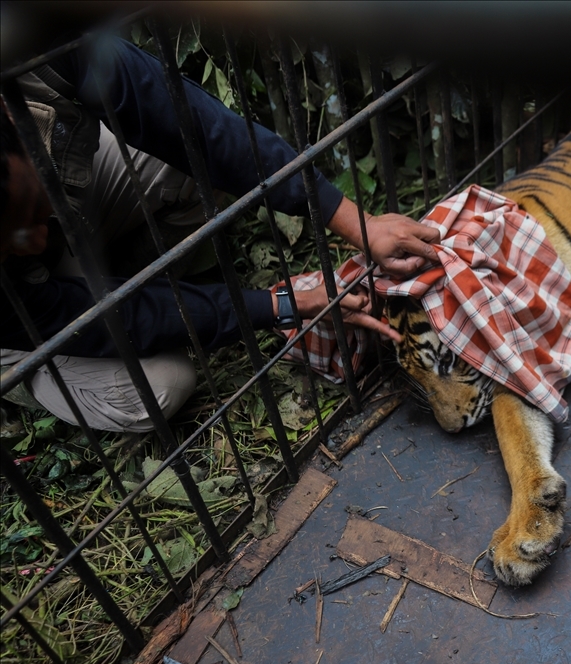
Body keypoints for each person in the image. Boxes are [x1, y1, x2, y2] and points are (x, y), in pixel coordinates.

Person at [0, 37, 438, 433]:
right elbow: (109, 319)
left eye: (29, 209)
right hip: (22, 312)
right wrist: (282, 306)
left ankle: (116, 276)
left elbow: (189, 121)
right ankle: (24, 371)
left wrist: (351, 219)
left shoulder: (31, 46)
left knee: (195, 165)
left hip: (66, 196)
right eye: (13, 236)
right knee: (161, 387)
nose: (38, 241)